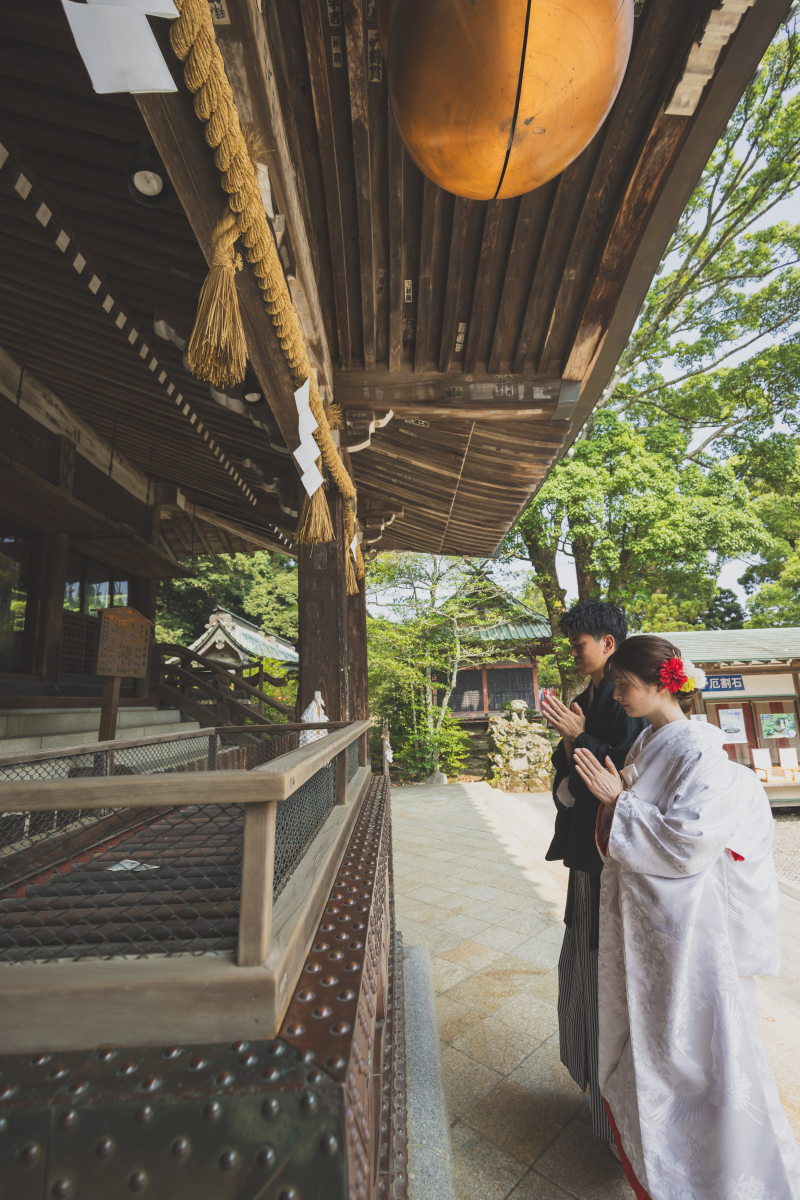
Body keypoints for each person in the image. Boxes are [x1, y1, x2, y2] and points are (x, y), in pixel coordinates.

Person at [573, 634, 800, 1200]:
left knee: (694, 1045)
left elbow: (688, 840)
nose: (618, 693)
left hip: (688, 929)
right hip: (650, 922)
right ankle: (660, 1160)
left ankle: (717, 1171)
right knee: (652, 1038)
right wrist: (612, 793)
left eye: (624, 684)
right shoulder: (648, 742)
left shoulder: (699, 748)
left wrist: (617, 802)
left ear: (659, 684)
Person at [540, 601, 648, 1147]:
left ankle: (614, 1104)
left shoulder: (625, 698)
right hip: (588, 851)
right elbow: (572, 766)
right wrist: (570, 739)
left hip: (611, 857)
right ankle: (591, 1082)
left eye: (581, 643)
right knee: (579, 957)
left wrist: (579, 738)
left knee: (604, 966)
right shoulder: (589, 697)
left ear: (608, 642)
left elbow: (626, 767)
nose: (575, 652)